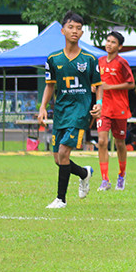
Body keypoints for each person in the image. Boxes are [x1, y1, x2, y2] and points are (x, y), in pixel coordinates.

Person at [37, 11, 101, 209]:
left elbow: (98, 85)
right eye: (71, 27)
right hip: (61, 112)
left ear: (82, 33)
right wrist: (43, 107)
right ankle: (84, 173)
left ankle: (61, 199)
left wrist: (99, 103)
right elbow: (49, 85)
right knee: (58, 158)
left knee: (64, 152)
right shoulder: (53, 58)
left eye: (79, 28)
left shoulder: (90, 59)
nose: (75, 31)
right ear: (62, 30)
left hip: (80, 111)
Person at [96, 31, 135, 191]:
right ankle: (105, 179)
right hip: (103, 108)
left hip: (119, 108)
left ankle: (121, 175)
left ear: (119, 46)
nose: (109, 44)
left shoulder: (122, 63)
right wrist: (94, 88)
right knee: (102, 141)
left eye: (113, 42)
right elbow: (95, 82)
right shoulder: (99, 61)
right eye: (108, 41)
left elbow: (131, 83)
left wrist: (111, 86)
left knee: (120, 143)